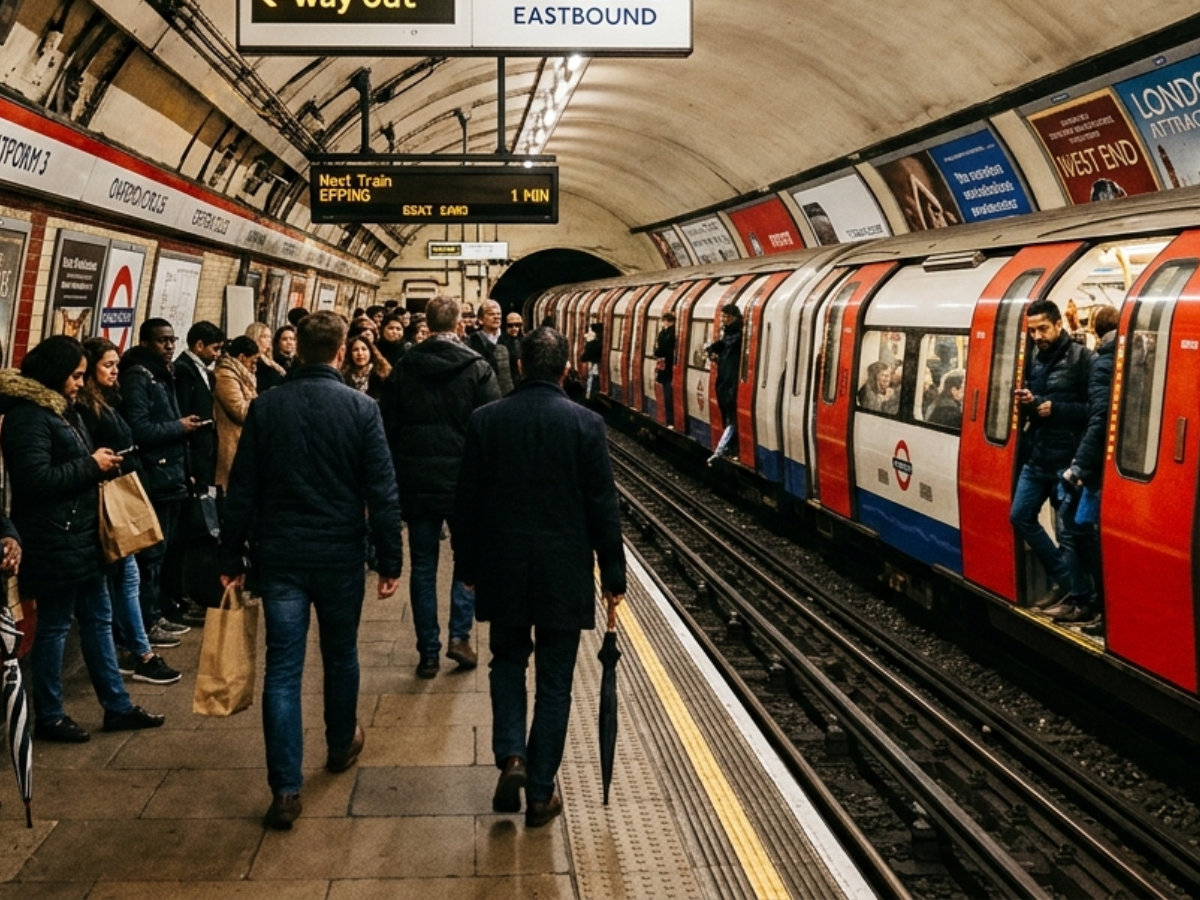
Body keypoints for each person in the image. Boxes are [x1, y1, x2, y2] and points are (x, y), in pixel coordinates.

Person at [218, 311, 402, 830]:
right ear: (341, 351)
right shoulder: (362, 409)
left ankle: (285, 790)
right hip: (341, 557)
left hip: (280, 559)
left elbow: (242, 490)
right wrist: (389, 559)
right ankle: (341, 744)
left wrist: (230, 558)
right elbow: (382, 492)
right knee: (340, 654)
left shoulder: (266, 408)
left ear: (297, 351)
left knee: (283, 670)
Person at [454, 327, 626, 828]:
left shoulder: (486, 421)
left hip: (503, 569)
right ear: (566, 369)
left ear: (521, 366)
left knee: (506, 662)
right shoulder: (585, 424)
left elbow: (466, 504)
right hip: (562, 572)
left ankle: (511, 756)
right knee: (555, 682)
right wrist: (612, 575)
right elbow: (603, 508)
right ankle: (542, 791)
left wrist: (467, 567)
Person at [0, 336, 165, 741]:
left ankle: (117, 706)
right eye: (75, 375)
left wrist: (99, 465)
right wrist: (91, 466)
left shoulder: (61, 410)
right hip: (54, 538)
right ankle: (50, 715)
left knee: (98, 620)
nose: (80, 382)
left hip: (81, 537)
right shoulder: (29, 417)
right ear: (56, 373)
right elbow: (34, 480)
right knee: (55, 627)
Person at [381, 295, 500, 678]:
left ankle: (428, 651)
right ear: (460, 325)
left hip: (416, 483)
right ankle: (459, 637)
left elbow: (389, 428)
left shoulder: (403, 368)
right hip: (465, 483)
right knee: (469, 563)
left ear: (426, 325)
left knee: (423, 568)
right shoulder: (478, 368)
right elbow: (491, 428)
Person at [78, 338, 182, 684]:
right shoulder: (85, 409)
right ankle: (138, 652)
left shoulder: (106, 400)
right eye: (107, 365)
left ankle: (137, 649)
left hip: (119, 495)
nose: (114, 371)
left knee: (130, 576)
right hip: (107, 502)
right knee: (125, 579)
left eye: (116, 364)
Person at [119, 319, 204, 644]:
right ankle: (146, 622)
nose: (169, 346)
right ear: (144, 343)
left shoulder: (160, 374)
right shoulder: (138, 378)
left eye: (172, 340)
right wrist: (179, 427)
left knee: (163, 552)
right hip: (154, 477)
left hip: (171, 475)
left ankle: (155, 615)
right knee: (151, 556)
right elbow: (139, 429)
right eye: (161, 341)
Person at [1011, 299, 1095, 612]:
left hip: (1066, 461)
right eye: (1032, 330)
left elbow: (1095, 410)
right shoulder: (1032, 359)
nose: (1037, 336)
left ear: (1059, 325)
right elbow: (1038, 401)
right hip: (1038, 456)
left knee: (1068, 534)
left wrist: (1057, 409)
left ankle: (1079, 595)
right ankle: (1062, 578)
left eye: (1042, 328)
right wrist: (1032, 401)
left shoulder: (1082, 359)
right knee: (1020, 516)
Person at [1045, 305, 1120, 631]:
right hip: (1116, 467)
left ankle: (1091, 604)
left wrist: (1078, 468)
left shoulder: (1103, 362)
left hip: (1094, 470)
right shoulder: (1131, 355)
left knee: (1074, 531)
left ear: (1093, 331)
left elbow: (1099, 420)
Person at [214, 335, 260, 490]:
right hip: (231, 442)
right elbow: (239, 410)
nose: (255, 367)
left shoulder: (242, 375)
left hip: (242, 441)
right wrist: (263, 404)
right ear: (241, 357)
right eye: (252, 362)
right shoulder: (225, 375)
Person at [706, 304, 743, 463]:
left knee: (730, 413)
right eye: (723, 317)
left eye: (727, 317)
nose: (724, 320)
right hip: (725, 377)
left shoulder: (739, 334)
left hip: (731, 379)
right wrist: (713, 350)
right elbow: (724, 346)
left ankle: (732, 446)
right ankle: (728, 444)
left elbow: (730, 347)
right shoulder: (729, 333)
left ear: (734, 317)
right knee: (726, 411)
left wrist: (717, 350)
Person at [467, 300, 514, 395]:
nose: (496, 317)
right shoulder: (472, 342)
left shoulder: (510, 341)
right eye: (491, 314)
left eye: (498, 314)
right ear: (480, 319)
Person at [341, 332, 391, 400]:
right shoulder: (343, 377)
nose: (360, 353)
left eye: (364, 349)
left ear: (370, 351)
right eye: (355, 350)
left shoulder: (382, 375)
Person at [247, 322, 286, 393]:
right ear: (254, 337)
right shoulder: (254, 362)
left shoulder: (269, 360)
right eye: (264, 336)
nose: (269, 340)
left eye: (270, 337)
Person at [654, 312, 677, 426]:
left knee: (668, 393)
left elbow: (662, 350)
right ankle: (669, 419)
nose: (663, 324)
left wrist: (658, 351)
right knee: (666, 391)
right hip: (666, 367)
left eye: (665, 321)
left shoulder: (670, 334)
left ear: (670, 322)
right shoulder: (665, 333)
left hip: (668, 367)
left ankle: (670, 419)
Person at [499, 312, 524, 393]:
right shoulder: (501, 342)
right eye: (510, 325)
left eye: (517, 325)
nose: (514, 328)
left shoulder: (524, 340)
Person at [580, 322, 603, 398]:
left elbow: (583, 358)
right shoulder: (604, 344)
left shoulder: (591, 344)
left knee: (592, 380)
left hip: (594, 366)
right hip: (602, 368)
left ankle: (589, 397)